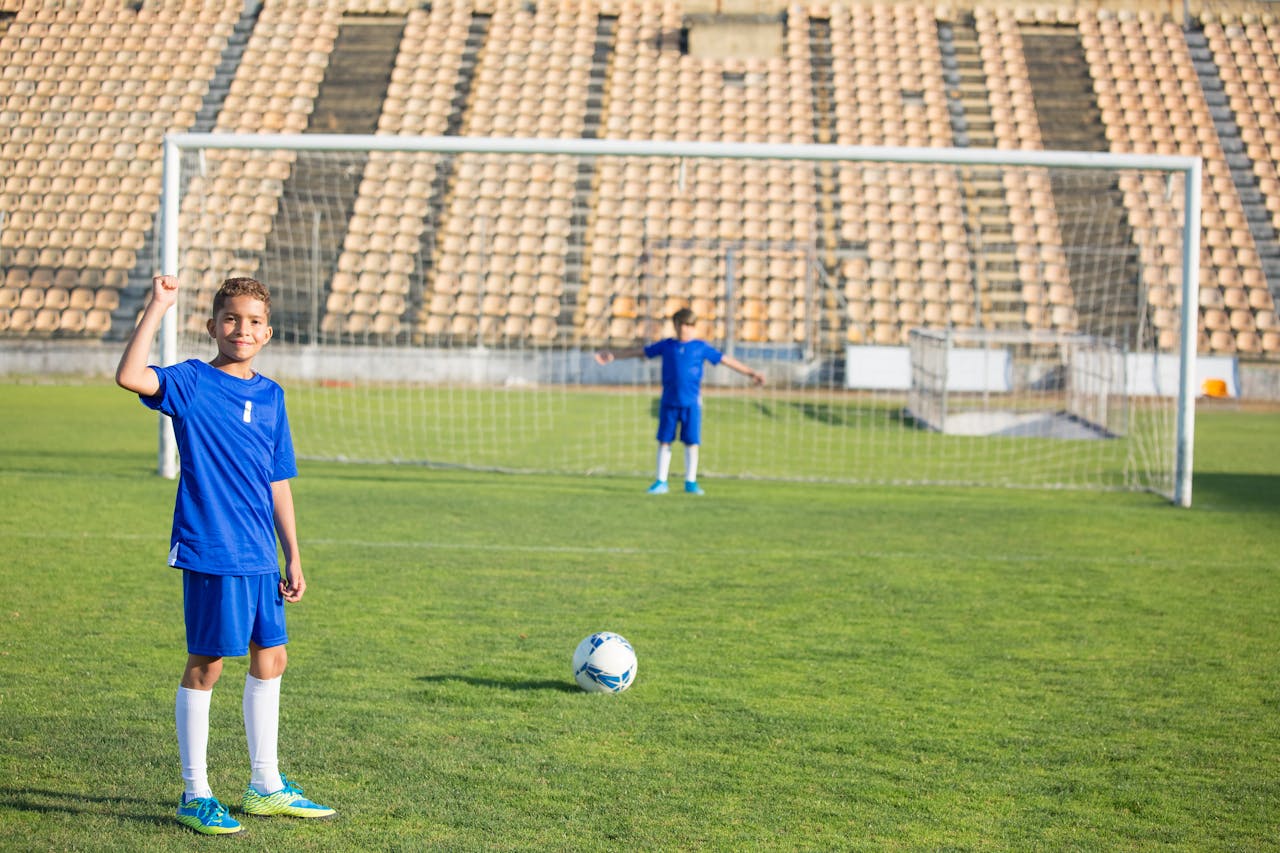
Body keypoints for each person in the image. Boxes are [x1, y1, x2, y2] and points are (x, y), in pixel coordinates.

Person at [116, 275, 334, 836]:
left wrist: (294, 555)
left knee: (272, 658)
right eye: (231, 319)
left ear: (268, 331)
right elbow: (128, 376)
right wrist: (159, 306)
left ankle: (265, 785)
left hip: (262, 554)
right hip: (212, 549)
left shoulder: (272, 395)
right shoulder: (190, 382)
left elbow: (278, 480)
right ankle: (196, 793)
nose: (243, 329)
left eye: (254, 321)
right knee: (208, 665)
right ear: (213, 327)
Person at [595, 307, 765, 495]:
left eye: (690, 325)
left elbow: (725, 360)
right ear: (675, 325)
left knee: (692, 442)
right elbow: (641, 352)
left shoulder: (701, 347)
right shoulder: (667, 345)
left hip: (691, 403)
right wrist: (614, 356)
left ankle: (690, 482)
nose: (686, 329)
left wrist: (751, 373)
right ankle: (661, 481)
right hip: (669, 402)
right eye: (683, 324)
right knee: (664, 441)